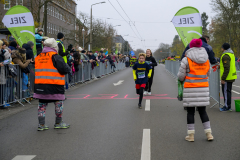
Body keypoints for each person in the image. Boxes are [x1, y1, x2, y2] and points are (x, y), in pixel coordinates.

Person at [177, 39, 214, 142]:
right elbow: (208, 74)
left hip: (190, 88)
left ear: (191, 47)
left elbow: (181, 76)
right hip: (203, 87)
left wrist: (183, 79)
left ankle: (191, 135)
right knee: (203, 112)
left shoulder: (186, 59)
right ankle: (209, 134)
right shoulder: (206, 60)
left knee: (190, 112)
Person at [34, 38, 71, 131]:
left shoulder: (38, 57)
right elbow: (65, 70)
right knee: (58, 103)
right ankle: (58, 123)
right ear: (55, 47)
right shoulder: (55, 57)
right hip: (55, 84)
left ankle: (41, 125)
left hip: (40, 85)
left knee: (42, 105)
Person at [220, 43, 237, 112]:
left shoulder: (225, 56)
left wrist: (223, 78)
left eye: (222, 47)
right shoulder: (231, 54)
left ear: (224, 48)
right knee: (228, 92)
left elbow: (227, 68)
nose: (221, 48)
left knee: (226, 92)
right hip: (231, 76)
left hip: (227, 77)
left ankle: (227, 107)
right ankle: (228, 105)